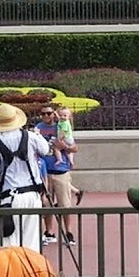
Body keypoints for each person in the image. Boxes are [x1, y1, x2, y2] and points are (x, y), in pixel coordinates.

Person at [0, 103, 50, 254]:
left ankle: (12, 274)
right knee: (32, 240)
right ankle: (32, 272)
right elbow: (45, 150)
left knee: (9, 241)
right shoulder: (31, 137)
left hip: (9, 198)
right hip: (32, 195)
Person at [34, 105, 78, 246]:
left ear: (54, 114)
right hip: (44, 171)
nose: (46, 116)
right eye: (43, 114)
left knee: (65, 204)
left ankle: (68, 232)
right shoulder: (38, 128)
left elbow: (74, 148)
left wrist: (63, 146)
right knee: (46, 204)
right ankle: (49, 232)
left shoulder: (62, 126)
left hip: (60, 171)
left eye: (49, 113)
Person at [56, 106, 86, 206]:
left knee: (60, 149)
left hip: (60, 167)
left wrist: (61, 141)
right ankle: (77, 191)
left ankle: (66, 160)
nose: (62, 117)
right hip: (51, 167)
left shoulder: (63, 123)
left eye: (65, 115)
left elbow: (73, 148)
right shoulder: (61, 121)